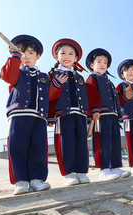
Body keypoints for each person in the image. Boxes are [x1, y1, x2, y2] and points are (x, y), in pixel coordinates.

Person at [0, 34, 51, 195]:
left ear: (38, 56)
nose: (26, 57)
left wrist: (49, 115)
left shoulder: (44, 77)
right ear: (16, 54)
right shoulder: (16, 70)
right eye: (22, 53)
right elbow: (6, 76)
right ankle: (20, 181)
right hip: (19, 114)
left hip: (39, 116)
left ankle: (37, 179)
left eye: (30, 53)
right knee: (17, 146)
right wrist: (15, 58)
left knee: (39, 148)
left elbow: (50, 95)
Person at [48, 38, 90, 186]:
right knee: (66, 143)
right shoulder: (53, 75)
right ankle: (69, 173)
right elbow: (49, 97)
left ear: (76, 58)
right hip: (63, 114)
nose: (67, 56)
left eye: (71, 54)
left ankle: (81, 172)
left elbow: (85, 96)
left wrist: (88, 115)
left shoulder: (79, 77)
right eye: (63, 53)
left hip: (80, 114)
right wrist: (49, 116)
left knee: (81, 143)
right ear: (56, 56)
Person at [85, 48, 131, 180]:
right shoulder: (92, 77)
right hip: (101, 115)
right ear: (92, 65)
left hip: (113, 116)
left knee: (115, 141)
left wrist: (125, 99)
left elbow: (117, 100)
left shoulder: (109, 81)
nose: (102, 64)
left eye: (105, 62)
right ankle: (104, 170)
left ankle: (115, 167)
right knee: (102, 142)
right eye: (99, 61)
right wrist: (94, 110)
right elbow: (91, 94)